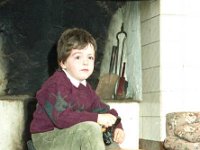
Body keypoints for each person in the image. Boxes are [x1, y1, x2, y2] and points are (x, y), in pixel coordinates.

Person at [30, 28, 125, 150]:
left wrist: (118, 126)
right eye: (78, 57)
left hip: (70, 133)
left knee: (109, 142)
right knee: (90, 129)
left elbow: (104, 110)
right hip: (47, 138)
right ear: (63, 62)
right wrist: (96, 118)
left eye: (90, 57)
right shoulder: (56, 83)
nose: (85, 62)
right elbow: (61, 117)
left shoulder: (86, 88)